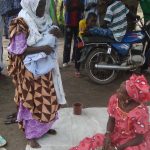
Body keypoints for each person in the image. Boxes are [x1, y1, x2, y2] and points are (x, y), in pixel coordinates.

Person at [7, 0, 66, 148]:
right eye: (39, 5)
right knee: (31, 102)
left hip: (45, 69)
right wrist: (42, 48)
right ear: (31, 4)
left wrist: (56, 33)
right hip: (29, 73)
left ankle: (44, 128)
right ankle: (31, 135)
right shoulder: (21, 22)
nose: (42, 8)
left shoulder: (45, 19)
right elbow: (18, 49)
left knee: (47, 98)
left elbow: (50, 35)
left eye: (44, 5)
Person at [70, 74, 150, 150]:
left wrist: (117, 148)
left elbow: (139, 138)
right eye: (119, 88)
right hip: (116, 134)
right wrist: (108, 134)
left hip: (132, 140)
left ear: (129, 97)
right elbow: (111, 119)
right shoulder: (115, 100)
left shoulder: (141, 112)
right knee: (96, 142)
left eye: (121, 92)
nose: (117, 91)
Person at [75, 12, 97, 77]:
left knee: (90, 53)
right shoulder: (81, 22)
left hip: (88, 39)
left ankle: (90, 68)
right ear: (87, 19)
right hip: (80, 39)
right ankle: (77, 69)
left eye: (95, 21)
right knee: (78, 54)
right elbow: (82, 34)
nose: (93, 23)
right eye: (92, 21)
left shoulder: (94, 26)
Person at [63, 0, 84, 67]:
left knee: (77, 42)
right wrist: (76, 7)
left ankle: (74, 58)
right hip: (69, 23)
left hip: (78, 23)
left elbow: (82, 8)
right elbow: (67, 7)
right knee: (67, 43)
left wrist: (75, 7)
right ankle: (65, 60)